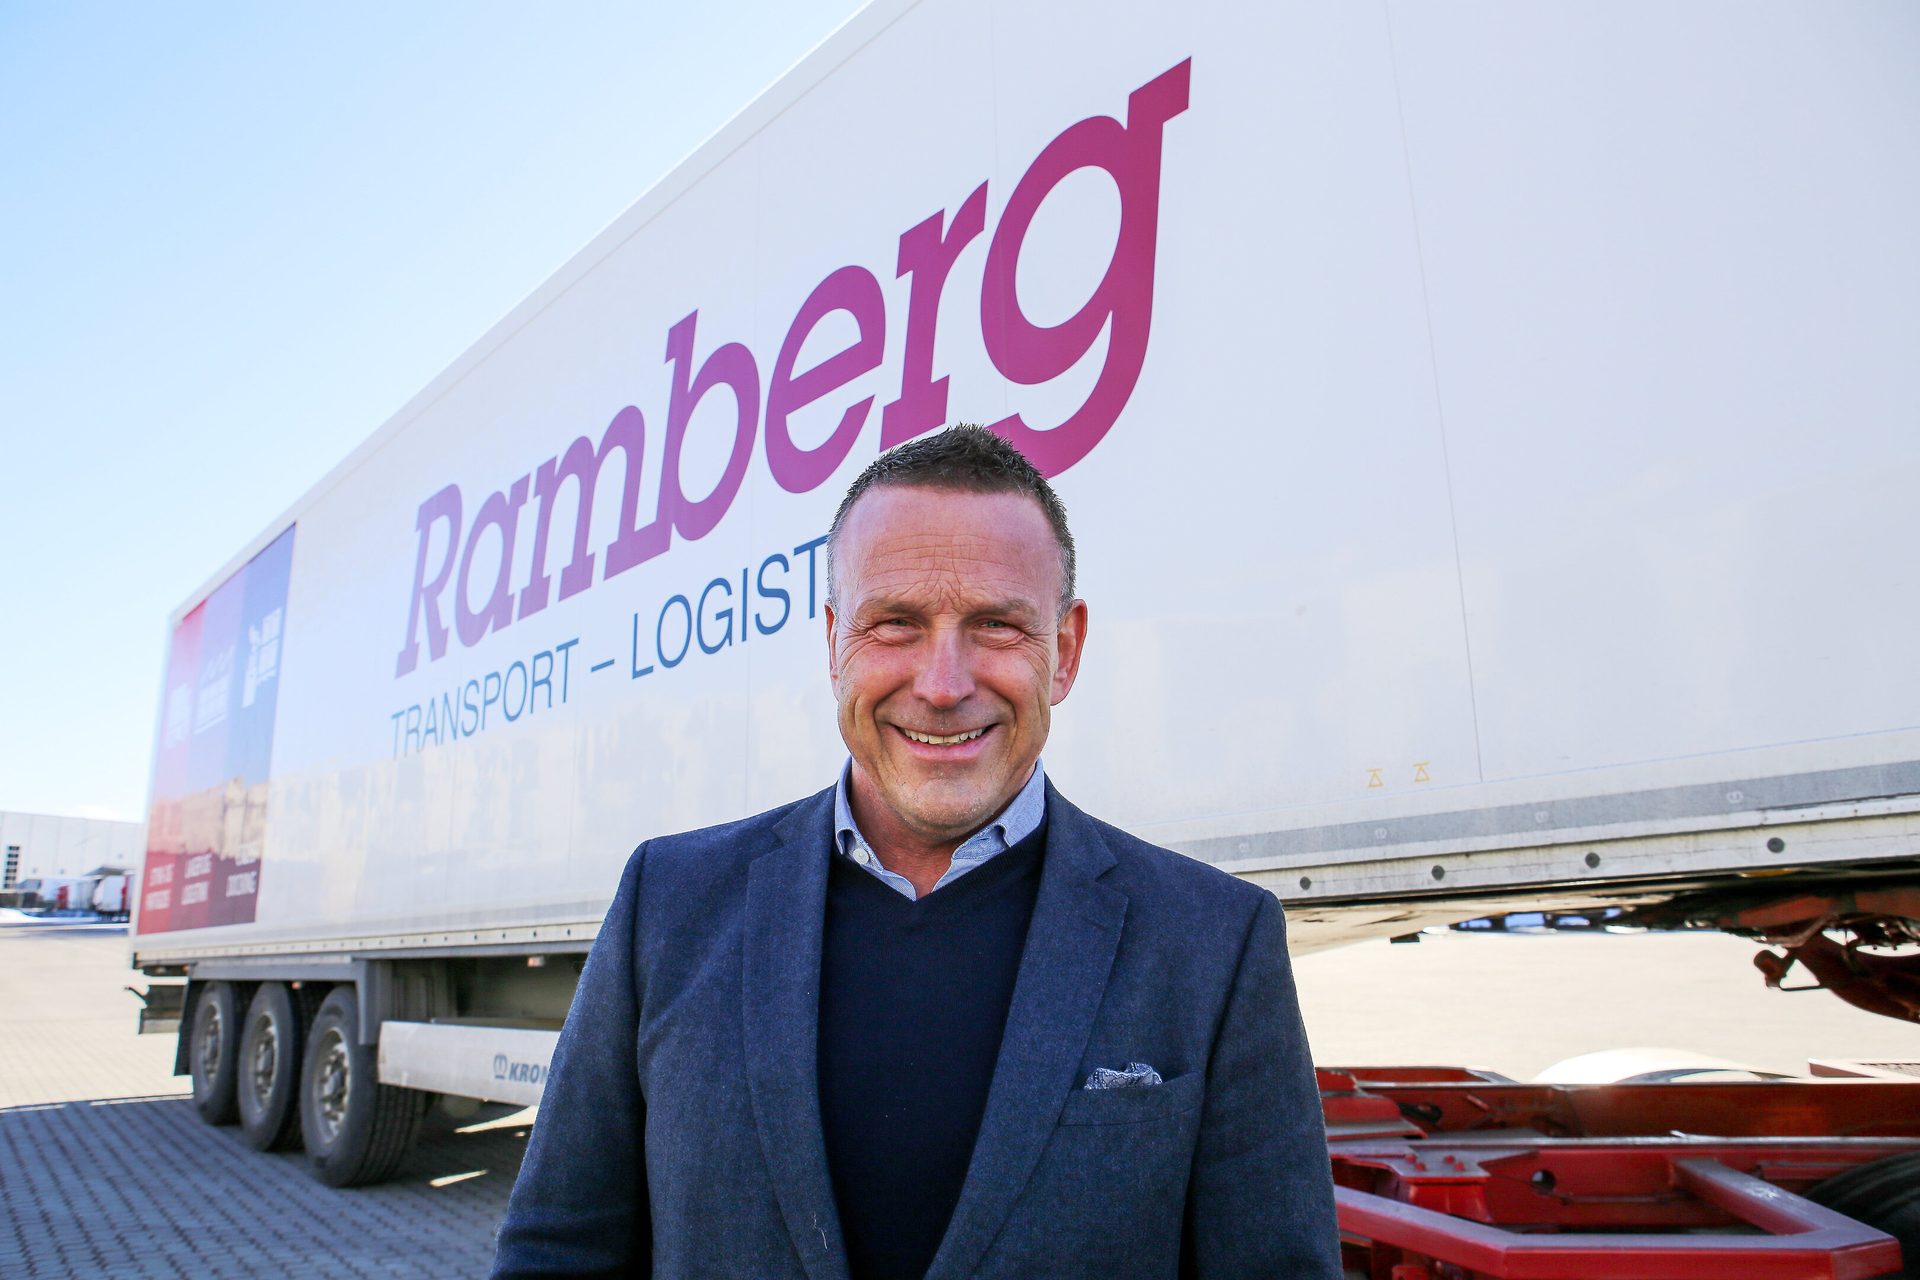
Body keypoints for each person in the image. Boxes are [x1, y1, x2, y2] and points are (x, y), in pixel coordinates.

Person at [492, 425, 1340, 1279]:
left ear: (1066, 652)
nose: (942, 685)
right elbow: (559, 1248)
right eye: (894, 623)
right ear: (832, 644)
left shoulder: (1213, 943)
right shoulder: (668, 906)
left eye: (998, 625)